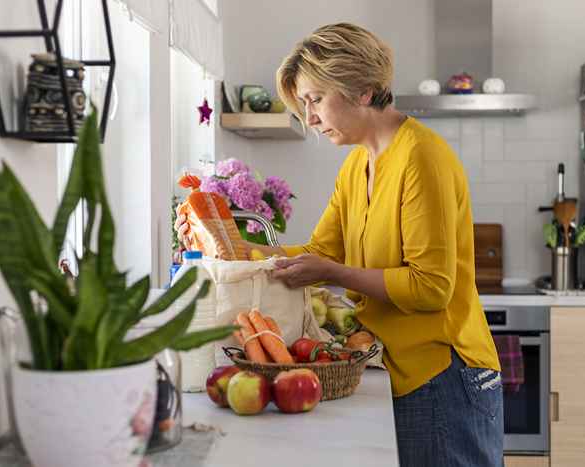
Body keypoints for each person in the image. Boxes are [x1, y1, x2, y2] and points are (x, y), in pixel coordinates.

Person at [176, 22, 503, 467]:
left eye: (314, 100)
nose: (309, 118)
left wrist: (333, 274)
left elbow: (431, 288)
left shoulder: (421, 158)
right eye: (304, 103)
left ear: (363, 90)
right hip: (398, 369)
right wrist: (226, 249)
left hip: (443, 374)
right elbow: (322, 252)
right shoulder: (357, 165)